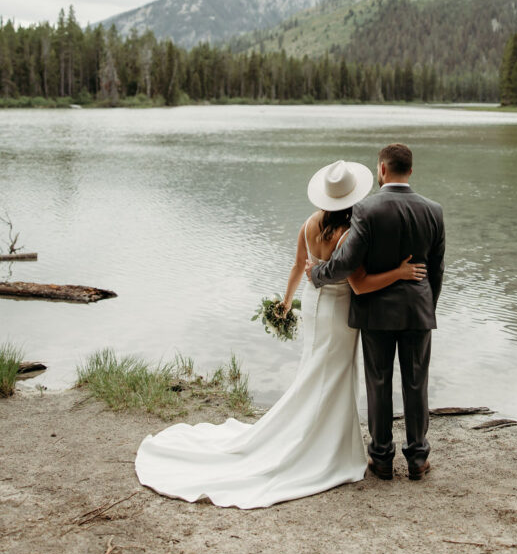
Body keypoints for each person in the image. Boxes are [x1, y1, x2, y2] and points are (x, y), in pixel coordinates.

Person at [134, 159, 425, 509]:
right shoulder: (350, 234)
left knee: (314, 370)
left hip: (313, 305)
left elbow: (296, 267)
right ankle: (325, 445)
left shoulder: (308, 224)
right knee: (332, 375)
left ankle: (318, 433)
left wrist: (286, 304)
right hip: (337, 312)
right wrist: (400, 272)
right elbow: (359, 286)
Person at [306, 143, 445, 481]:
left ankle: (381, 459)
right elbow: (437, 270)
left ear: (382, 169)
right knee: (416, 384)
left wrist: (316, 275)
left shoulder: (366, 210)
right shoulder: (434, 210)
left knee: (379, 384)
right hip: (417, 311)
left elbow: (346, 263)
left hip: (376, 313)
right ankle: (417, 458)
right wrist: (427, 305)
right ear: (410, 171)